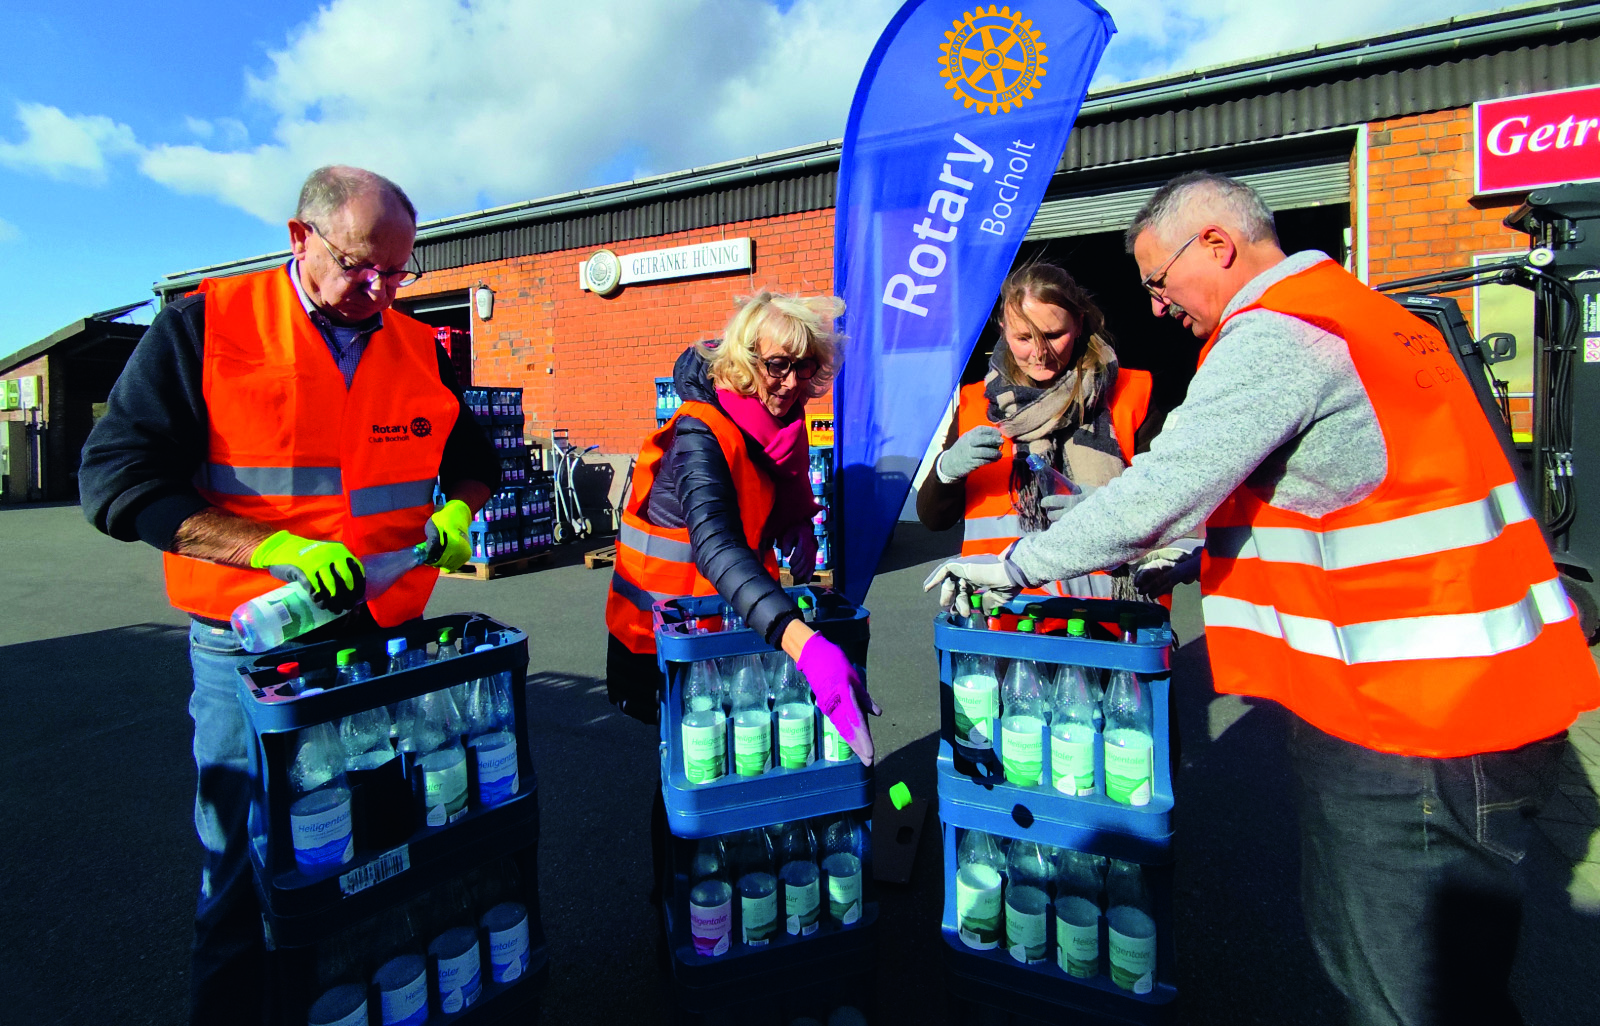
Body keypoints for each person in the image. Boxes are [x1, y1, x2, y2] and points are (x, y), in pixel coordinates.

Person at [924, 171, 1600, 1026]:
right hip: (1461, 700)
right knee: (1432, 984)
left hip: (1419, 716)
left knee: (1408, 996)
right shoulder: (1363, 316)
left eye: (1159, 281)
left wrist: (1017, 566)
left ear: (1216, 244)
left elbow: (1162, 486)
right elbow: (1313, 497)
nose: (1158, 306)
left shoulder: (1280, 332)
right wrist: (1186, 558)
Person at [79, 165, 501, 1025]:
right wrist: (268, 548)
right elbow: (117, 482)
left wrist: (460, 508)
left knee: (371, 846)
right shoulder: (206, 327)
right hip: (254, 643)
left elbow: (475, 456)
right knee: (246, 866)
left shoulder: (417, 345)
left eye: (398, 271)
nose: (380, 289)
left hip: (378, 638)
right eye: (359, 265)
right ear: (299, 238)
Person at [604, 290, 878, 765]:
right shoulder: (698, 431)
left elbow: (756, 496)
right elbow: (716, 545)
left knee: (738, 762)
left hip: (730, 625)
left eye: (804, 366)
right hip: (665, 642)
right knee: (694, 771)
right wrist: (804, 645)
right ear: (745, 361)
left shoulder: (777, 430)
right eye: (777, 365)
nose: (790, 382)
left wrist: (792, 521)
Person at [916, 260, 1172, 600]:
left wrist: (1107, 512)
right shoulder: (976, 405)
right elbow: (933, 519)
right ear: (1003, 330)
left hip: (1112, 617)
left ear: (1079, 323)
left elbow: (1173, 505)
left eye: (1053, 335)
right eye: (1023, 338)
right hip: (1006, 613)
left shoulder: (1132, 394)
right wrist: (946, 471)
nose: (1040, 353)